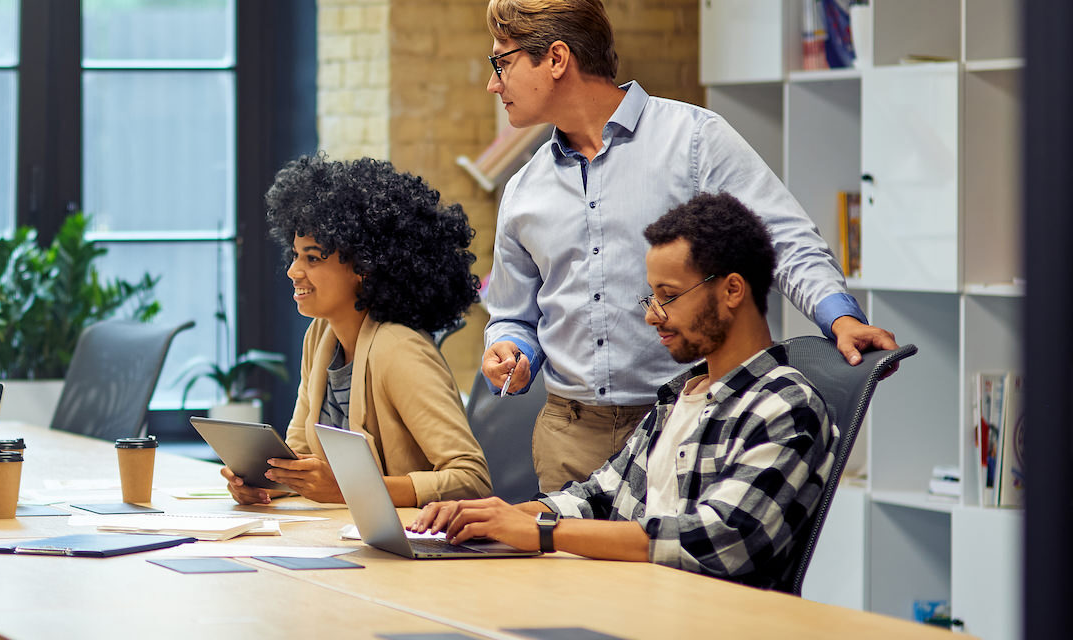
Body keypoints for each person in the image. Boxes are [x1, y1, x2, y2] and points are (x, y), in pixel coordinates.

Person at [475, 0, 897, 491]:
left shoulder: (694, 140)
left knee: (681, 563)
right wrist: (509, 347)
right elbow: (512, 313)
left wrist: (839, 317)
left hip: (690, 424)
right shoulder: (525, 189)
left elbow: (783, 237)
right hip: (571, 440)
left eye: (501, 62)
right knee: (570, 568)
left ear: (556, 58)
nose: (493, 83)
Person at [414, 193, 835, 590]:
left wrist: (542, 531)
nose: (653, 316)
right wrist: (494, 516)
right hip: (633, 605)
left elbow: (719, 538)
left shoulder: (786, 405)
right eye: (651, 297)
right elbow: (599, 495)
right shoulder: (677, 398)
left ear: (731, 290)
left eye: (669, 296)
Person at [223, 154, 492, 508]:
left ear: (364, 266)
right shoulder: (321, 336)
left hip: (413, 549)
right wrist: (266, 481)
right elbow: (302, 456)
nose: (293, 271)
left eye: (312, 258)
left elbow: (471, 480)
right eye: (295, 255)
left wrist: (352, 488)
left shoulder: (400, 350)